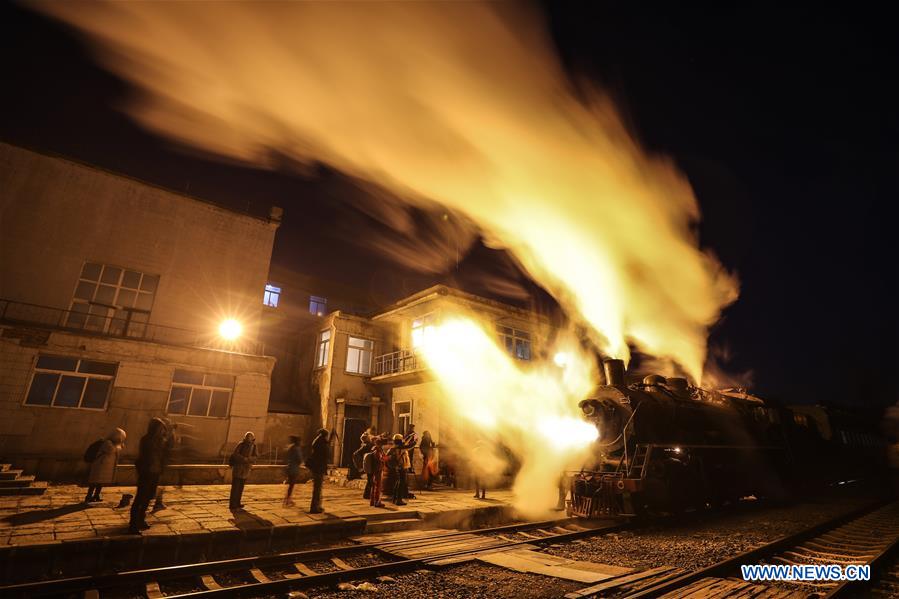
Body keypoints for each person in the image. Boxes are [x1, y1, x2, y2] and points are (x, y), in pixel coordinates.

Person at [129, 418, 170, 534]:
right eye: (160, 428)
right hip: (146, 473)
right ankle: (133, 524)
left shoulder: (161, 441)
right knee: (140, 499)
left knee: (148, 499)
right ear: (155, 428)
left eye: (163, 428)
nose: (162, 430)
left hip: (155, 473)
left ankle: (141, 520)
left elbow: (163, 456)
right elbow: (143, 457)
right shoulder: (146, 440)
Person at [85, 428, 126, 503]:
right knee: (94, 482)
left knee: (100, 482)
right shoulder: (107, 443)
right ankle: (88, 496)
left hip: (104, 467)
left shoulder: (113, 444)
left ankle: (96, 495)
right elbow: (111, 450)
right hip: (100, 465)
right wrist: (120, 445)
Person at [229, 432, 257, 510]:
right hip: (238, 469)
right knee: (235, 487)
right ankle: (232, 504)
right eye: (248, 437)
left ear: (253, 438)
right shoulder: (240, 444)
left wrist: (250, 459)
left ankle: (238, 503)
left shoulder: (254, 446)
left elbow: (255, 456)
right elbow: (235, 454)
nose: (249, 438)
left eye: (250, 437)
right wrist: (243, 458)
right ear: (245, 437)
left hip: (246, 470)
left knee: (241, 487)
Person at [306, 428, 329, 514]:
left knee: (318, 488)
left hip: (317, 467)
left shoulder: (318, 441)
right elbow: (325, 455)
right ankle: (315, 507)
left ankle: (317, 506)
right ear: (325, 435)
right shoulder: (322, 443)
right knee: (317, 488)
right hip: (319, 467)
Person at [364, 436, 389, 508]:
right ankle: (377, 502)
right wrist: (387, 458)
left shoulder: (374, 449)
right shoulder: (378, 450)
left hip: (375, 469)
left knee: (374, 486)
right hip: (378, 470)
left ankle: (372, 501)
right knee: (378, 486)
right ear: (380, 444)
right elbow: (380, 459)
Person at [388, 434, 409, 506]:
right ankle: (399, 500)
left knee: (398, 482)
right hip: (401, 467)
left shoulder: (393, 448)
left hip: (397, 467)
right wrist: (415, 440)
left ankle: (394, 498)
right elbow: (410, 446)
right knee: (401, 483)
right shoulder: (400, 448)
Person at [284, 435, 303, 506]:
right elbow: (299, 459)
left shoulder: (290, 448)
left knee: (290, 485)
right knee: (291, 485)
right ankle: (288, 500)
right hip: (294, 469)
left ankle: (288, 499)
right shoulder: (297, 449)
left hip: (289, 467)